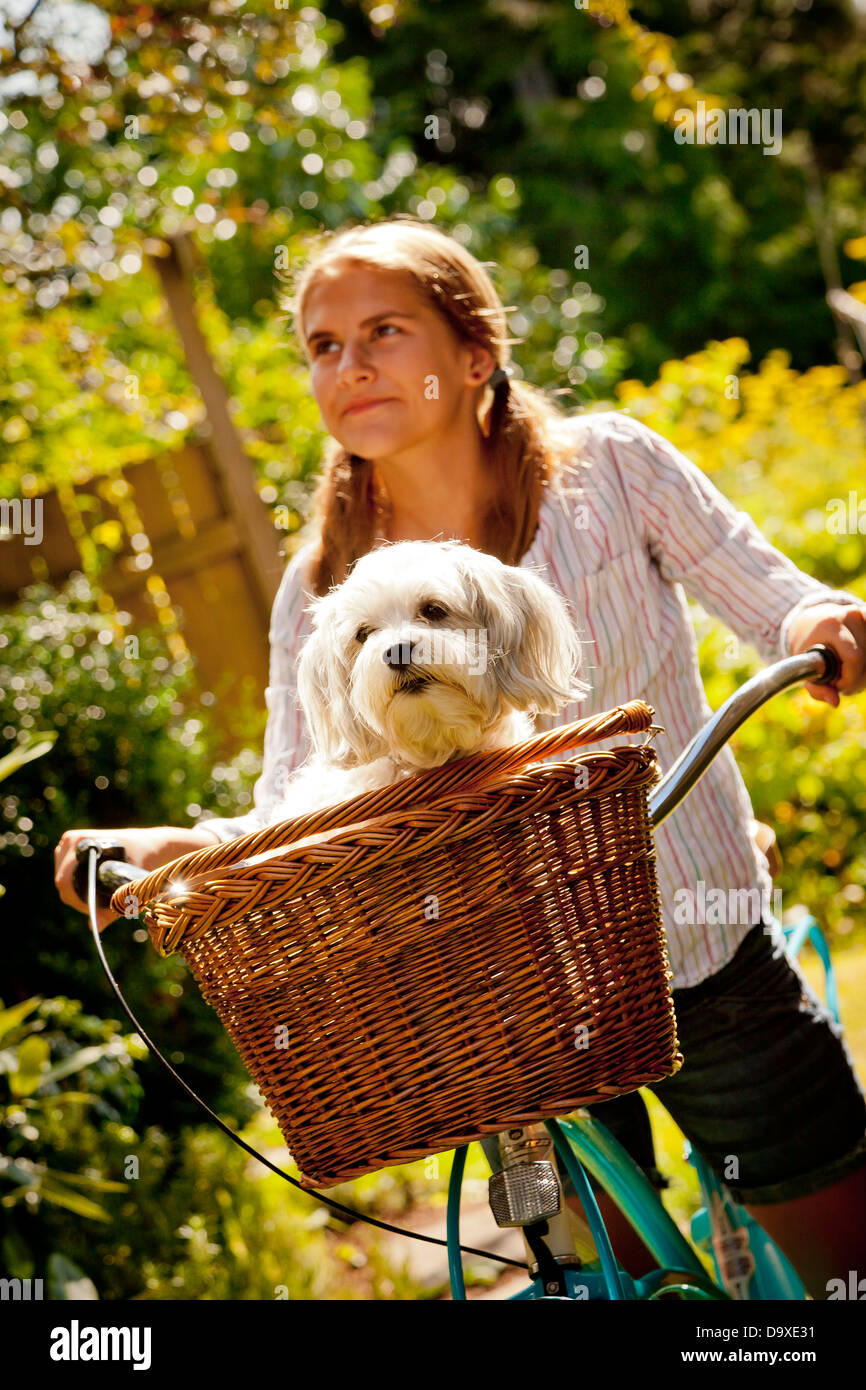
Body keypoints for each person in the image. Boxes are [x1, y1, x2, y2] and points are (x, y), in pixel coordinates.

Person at [55, 216, 866, 1298]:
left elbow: (766, 590)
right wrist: (182, 845)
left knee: (844, 1257)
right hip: (497, 1007)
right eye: (322, 345)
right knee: (601, 1280)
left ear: (473, 354)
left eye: (382, 330)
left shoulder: (611, 471)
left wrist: (819, 624)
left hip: (697, 941)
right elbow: (298, 801)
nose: (348, 365)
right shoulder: (321, 588)